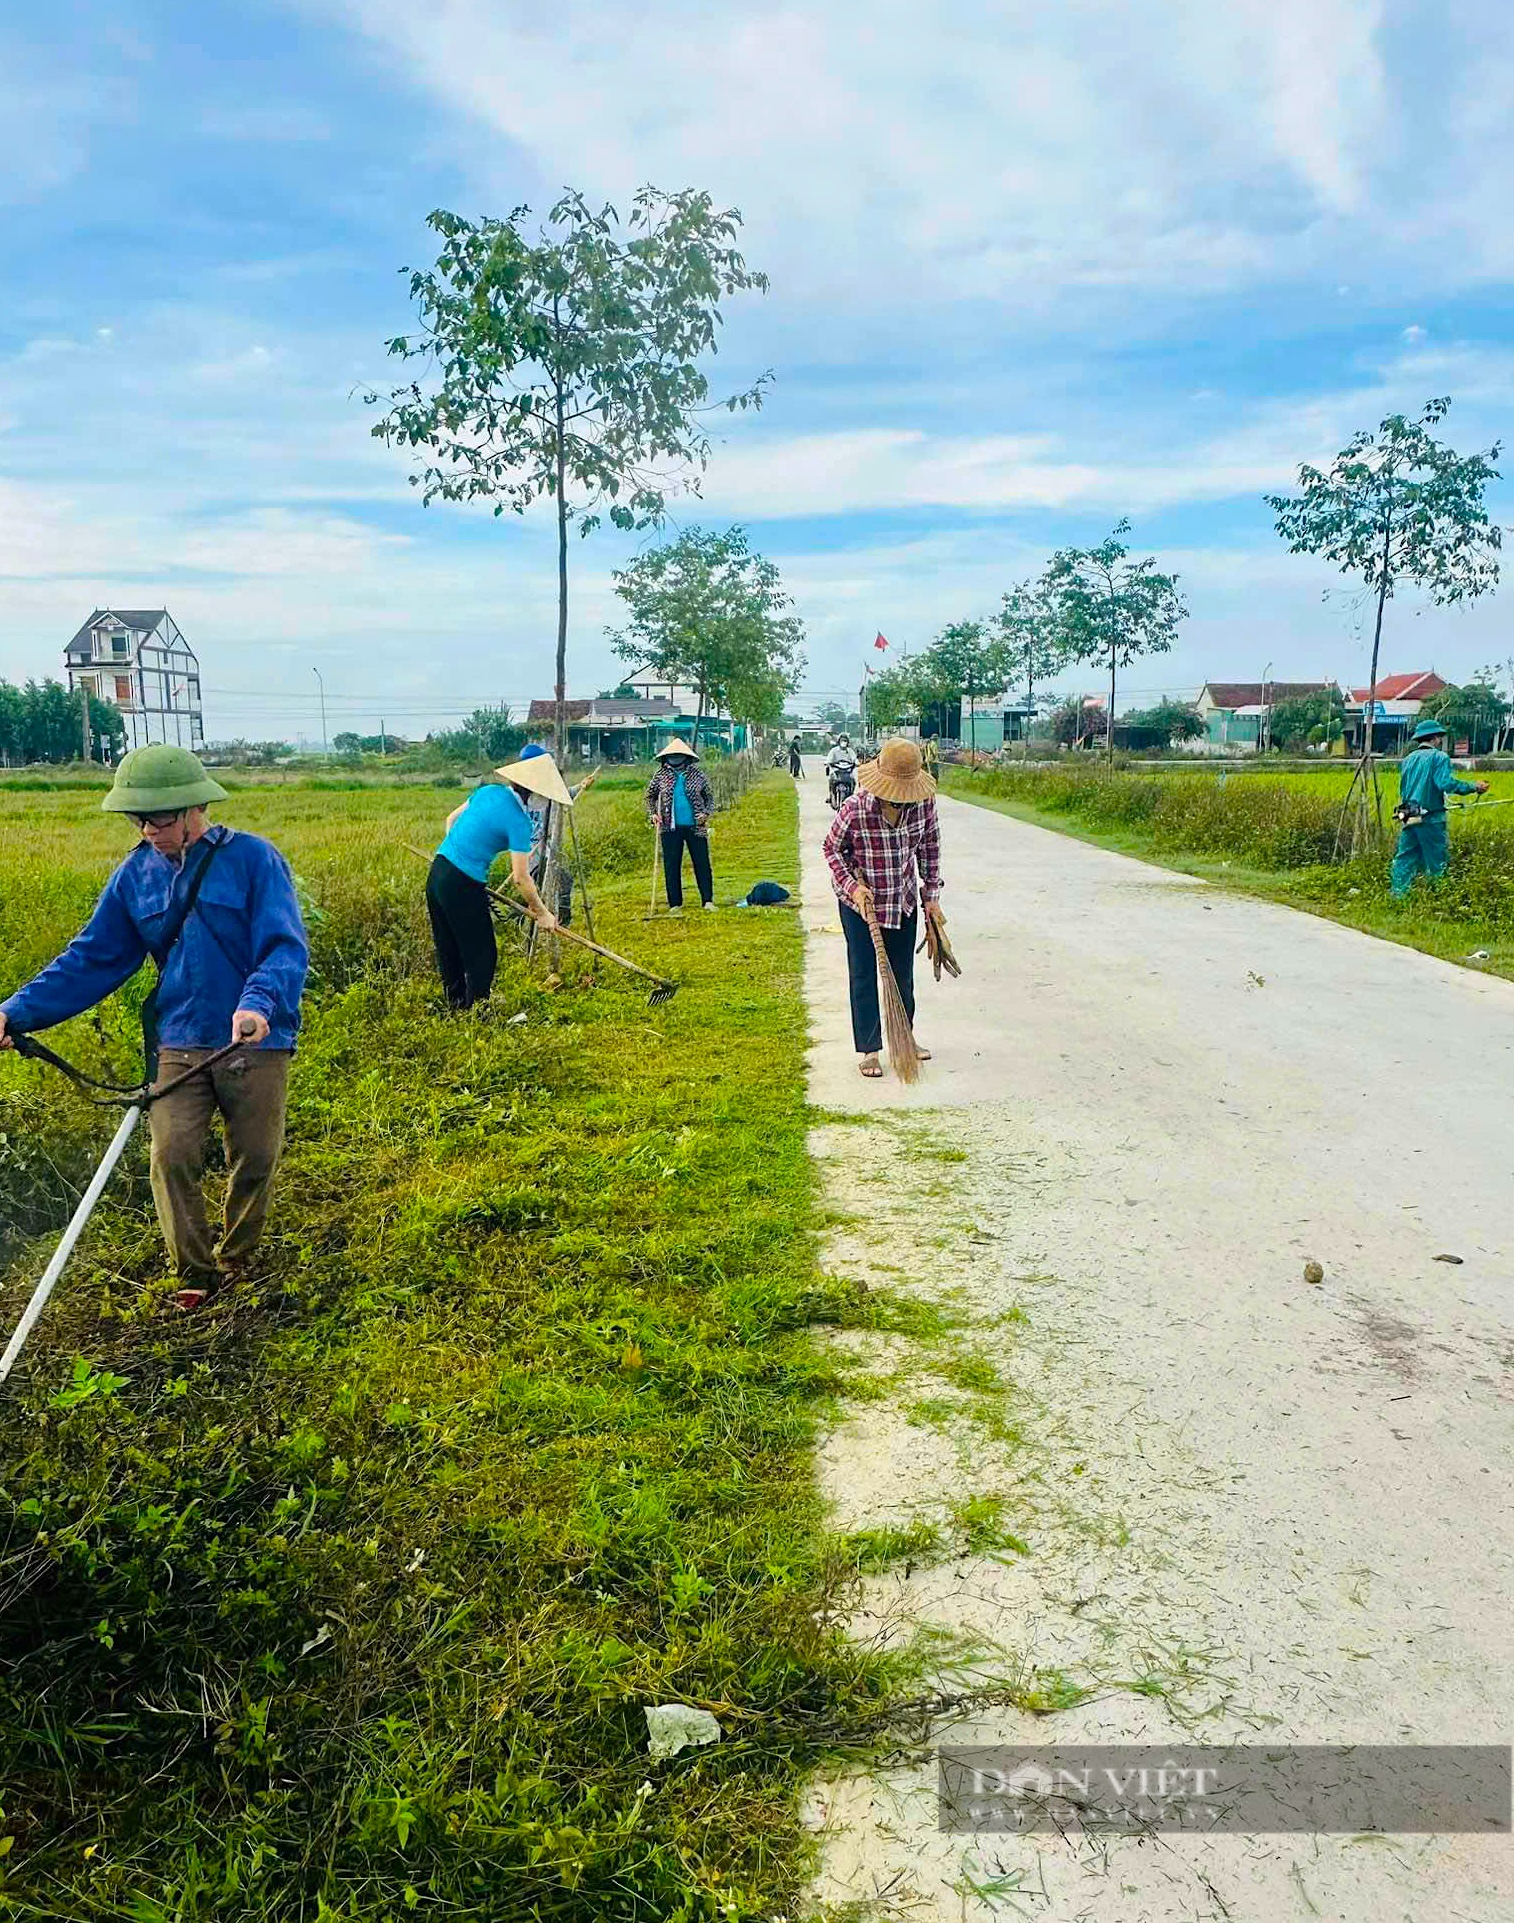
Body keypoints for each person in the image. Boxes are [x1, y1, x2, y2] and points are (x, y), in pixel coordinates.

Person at [0, 744, 309, 1309]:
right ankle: (195, 1274)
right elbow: (90, 959)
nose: (146, 830)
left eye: (158, 818)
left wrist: (258, 1003)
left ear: (194, 808)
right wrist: (13, 1012)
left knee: (256, 1154)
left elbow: (284, 946)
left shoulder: (255, 861)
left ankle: (238, 1260)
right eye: (136, 818)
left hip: (254, 1038)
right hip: (181, 1037)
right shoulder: (132, 877)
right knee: (170, 1154)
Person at [822, 737, 946, 1079]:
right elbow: (832, 849)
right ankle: (870, 1049)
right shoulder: (856, 807)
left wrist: (931, 895)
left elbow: (930, 848)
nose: (897, 802)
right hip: (860, 904)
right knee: (863, 974)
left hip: (901, 899)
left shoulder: (924, 804)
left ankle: (904, 1039)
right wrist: (853, 886)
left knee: (901, 975)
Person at [427, 753, 565, 1009]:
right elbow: (522, 879)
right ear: (534, 794)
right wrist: (543, 913)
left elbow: (451, 819)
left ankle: (455, 1005)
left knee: (449, 946)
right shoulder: (519, 821)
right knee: (482, 954)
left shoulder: (488, 791)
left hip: (438, 869)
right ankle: (479, 1012)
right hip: (462, 883)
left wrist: (457, 853)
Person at [1390, 717, 1489, 898]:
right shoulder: (1439, 757)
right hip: (1431, 818)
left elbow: (1403, 788)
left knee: (1405, 857)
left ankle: (1398, 896)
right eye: (1439, 737)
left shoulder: (1409, 759)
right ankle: (1439, 898)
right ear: (1435, 738)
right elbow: (1445, 783)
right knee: (1437, 861)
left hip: (1409, 814)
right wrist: (1474, 787)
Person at [645, 739, 717, 912]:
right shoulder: (660, 775)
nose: (675, 759)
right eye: (672, 756)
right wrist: (653, 814)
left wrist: (705, 813)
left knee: (702, 863)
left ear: (686, 757)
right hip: (669, 827)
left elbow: (709, 797)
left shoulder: (697, 774)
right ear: (666, 758)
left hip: (696, 826)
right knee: (671, 864)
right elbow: (649, 797)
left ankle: (707, 900)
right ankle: (675, 903)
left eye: (678, 756)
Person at [826, 733, 858, 809]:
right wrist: (827, 762)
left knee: (853, 780)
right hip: (836, 770)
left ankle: (851, 795)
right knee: (831, 779)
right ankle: (831, 796)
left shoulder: (850, 751)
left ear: (848, 742)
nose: (844, 742)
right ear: (839, 741)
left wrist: (856, 762)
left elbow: (854, 759)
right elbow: (829, 759)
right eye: (842, 740)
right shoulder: (834, 751)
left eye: (845, 741)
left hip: (847, 771)